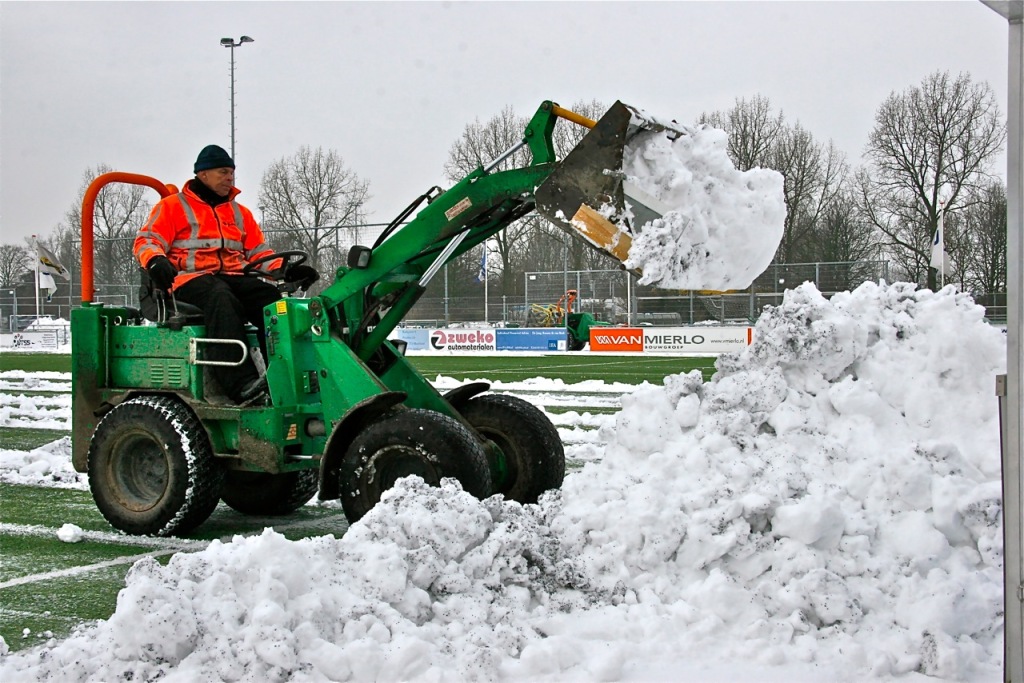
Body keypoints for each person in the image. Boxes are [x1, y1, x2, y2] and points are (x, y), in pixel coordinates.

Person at [133, 144, 319, 404]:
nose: (230, 178)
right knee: (220, 296)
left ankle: (285, 375)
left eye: (232, 172)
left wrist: (284, 270)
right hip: (188, 278)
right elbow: (147, 240)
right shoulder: (173, 207)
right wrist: (155, 259)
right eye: (223, 172)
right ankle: (240, 383)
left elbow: (257, 252)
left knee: (270, 299)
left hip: (232, 277)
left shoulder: (239, 213)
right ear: (203, 174)